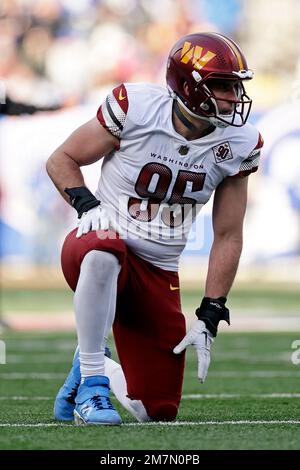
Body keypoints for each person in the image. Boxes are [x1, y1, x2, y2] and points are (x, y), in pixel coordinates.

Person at [46, 32, 263, 425]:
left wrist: (211, 310)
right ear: (189, 85)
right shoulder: (137, 107)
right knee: (104, 248)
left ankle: (88, 363)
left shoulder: (240, 142)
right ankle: (93, 386)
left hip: (159, 271)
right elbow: (62, 159)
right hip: (98, 245)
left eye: (236, 86)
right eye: (222, 85)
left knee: (157, 411)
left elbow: (228, 233)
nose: (233, 96)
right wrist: (87, 206)